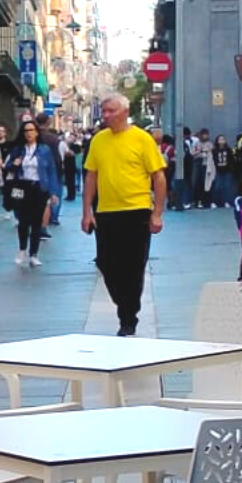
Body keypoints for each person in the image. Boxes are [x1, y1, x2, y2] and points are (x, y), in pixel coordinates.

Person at [82, 95, 168, 335]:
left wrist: (157, 213)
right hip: (107, 212)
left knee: (133, 265)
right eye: (103, 111)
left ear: (124, 112)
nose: (105, 115)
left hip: (137, 210)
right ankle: (125, 304)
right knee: (106, 262)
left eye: (110, 111)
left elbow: (158, 177)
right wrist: (86, 211)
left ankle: (128, 317)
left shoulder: (142, 139)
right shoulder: (99, 140)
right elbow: (91, 176)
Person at [1, 118, 61, 267]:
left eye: (31, 131)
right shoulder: (18, 149)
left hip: (39, 188)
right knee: (23, 221)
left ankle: (34, 254)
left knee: (36, 222)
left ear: (36, 132)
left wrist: (53, 192)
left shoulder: (44, 150)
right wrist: (13, 164)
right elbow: (7, 166)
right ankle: (22, 249)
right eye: (26, 131)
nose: (29, 134)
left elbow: (51, 171)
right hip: (22, 187)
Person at [210, 135, 235, 207]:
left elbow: (231, 159)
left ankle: (226, 201)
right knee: (217, 186)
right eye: (220, 139)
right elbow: (214, 160)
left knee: (227, 186)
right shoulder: (214, 150)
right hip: (218, 171)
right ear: (217, 141)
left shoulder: (228, 149)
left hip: (227, 170)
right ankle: (214, 202)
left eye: (223, 139)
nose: (222, 140)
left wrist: (230, 167)